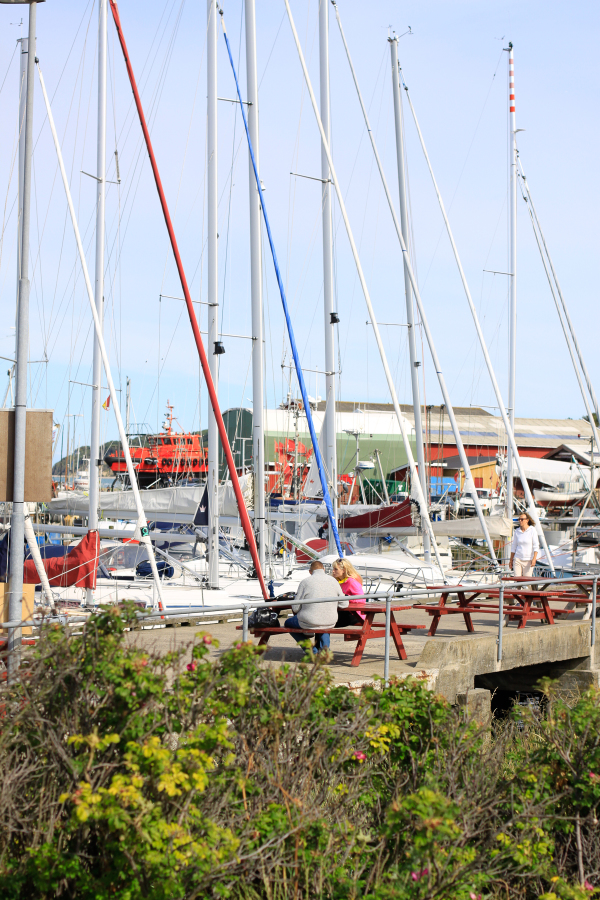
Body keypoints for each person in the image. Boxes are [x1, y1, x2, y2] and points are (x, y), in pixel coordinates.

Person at [285, 560, 348, 654]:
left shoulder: (305, 582)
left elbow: (295, 608)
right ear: (324, 569)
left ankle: (311, 650)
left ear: (310, 572)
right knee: (324, 622)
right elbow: (344, 604)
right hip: (331, 620)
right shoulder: (334, 581)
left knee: (288, 623)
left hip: (310, 620)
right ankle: (325, 649)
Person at [332, 558, 365, 626]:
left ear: (343, 570)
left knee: (324, 622)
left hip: (353, 615)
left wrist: (346, 597)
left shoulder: (352, 582)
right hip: (342, 611)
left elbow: (362, 599)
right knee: (322, 620)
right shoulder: (337, 581)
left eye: (336, 569)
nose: (333, 571)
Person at [509, 512, 539, 578]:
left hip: (528, 560)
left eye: (522, 519)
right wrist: (511, 560)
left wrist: (534, 558)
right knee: (517, 579)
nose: (520, 521)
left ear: (527, 520)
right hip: (518, 559)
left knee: (527, 581)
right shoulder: (517, 531)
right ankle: (518, 588)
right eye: (519, 519)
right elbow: (514, 546)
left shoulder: (532, 530)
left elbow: (536, 546)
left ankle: (530, 589)